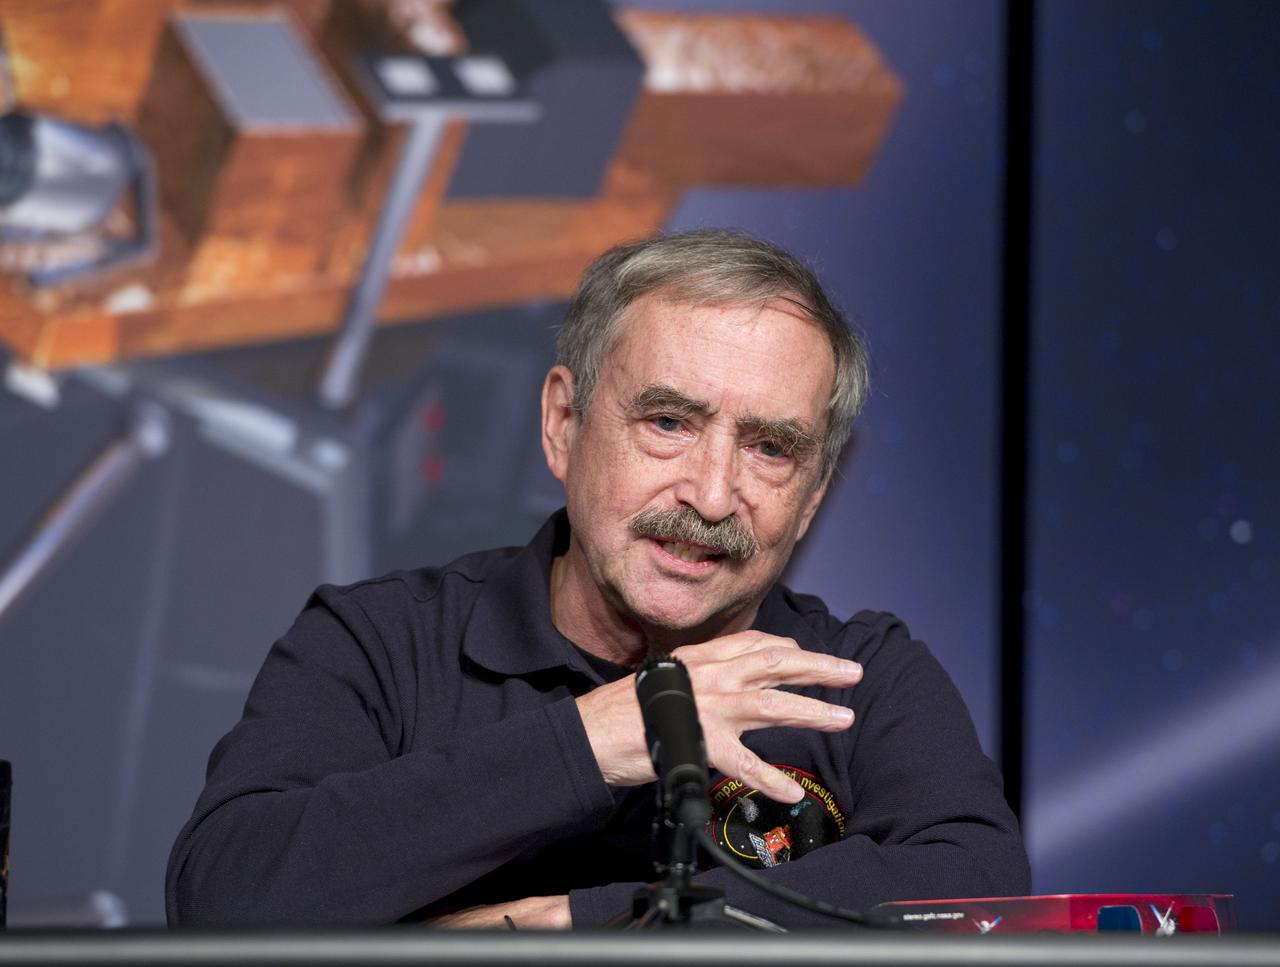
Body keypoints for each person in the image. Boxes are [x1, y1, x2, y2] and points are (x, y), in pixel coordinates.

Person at [166, 229, 1029, 927]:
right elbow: (224, 898)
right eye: (667, 421)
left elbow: (976, 894)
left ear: (810, 500)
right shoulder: (381, 642)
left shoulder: (861, 679)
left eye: (770, 448)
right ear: (562, 424)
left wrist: (582, 926)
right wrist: (595, 740)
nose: (713, 492)